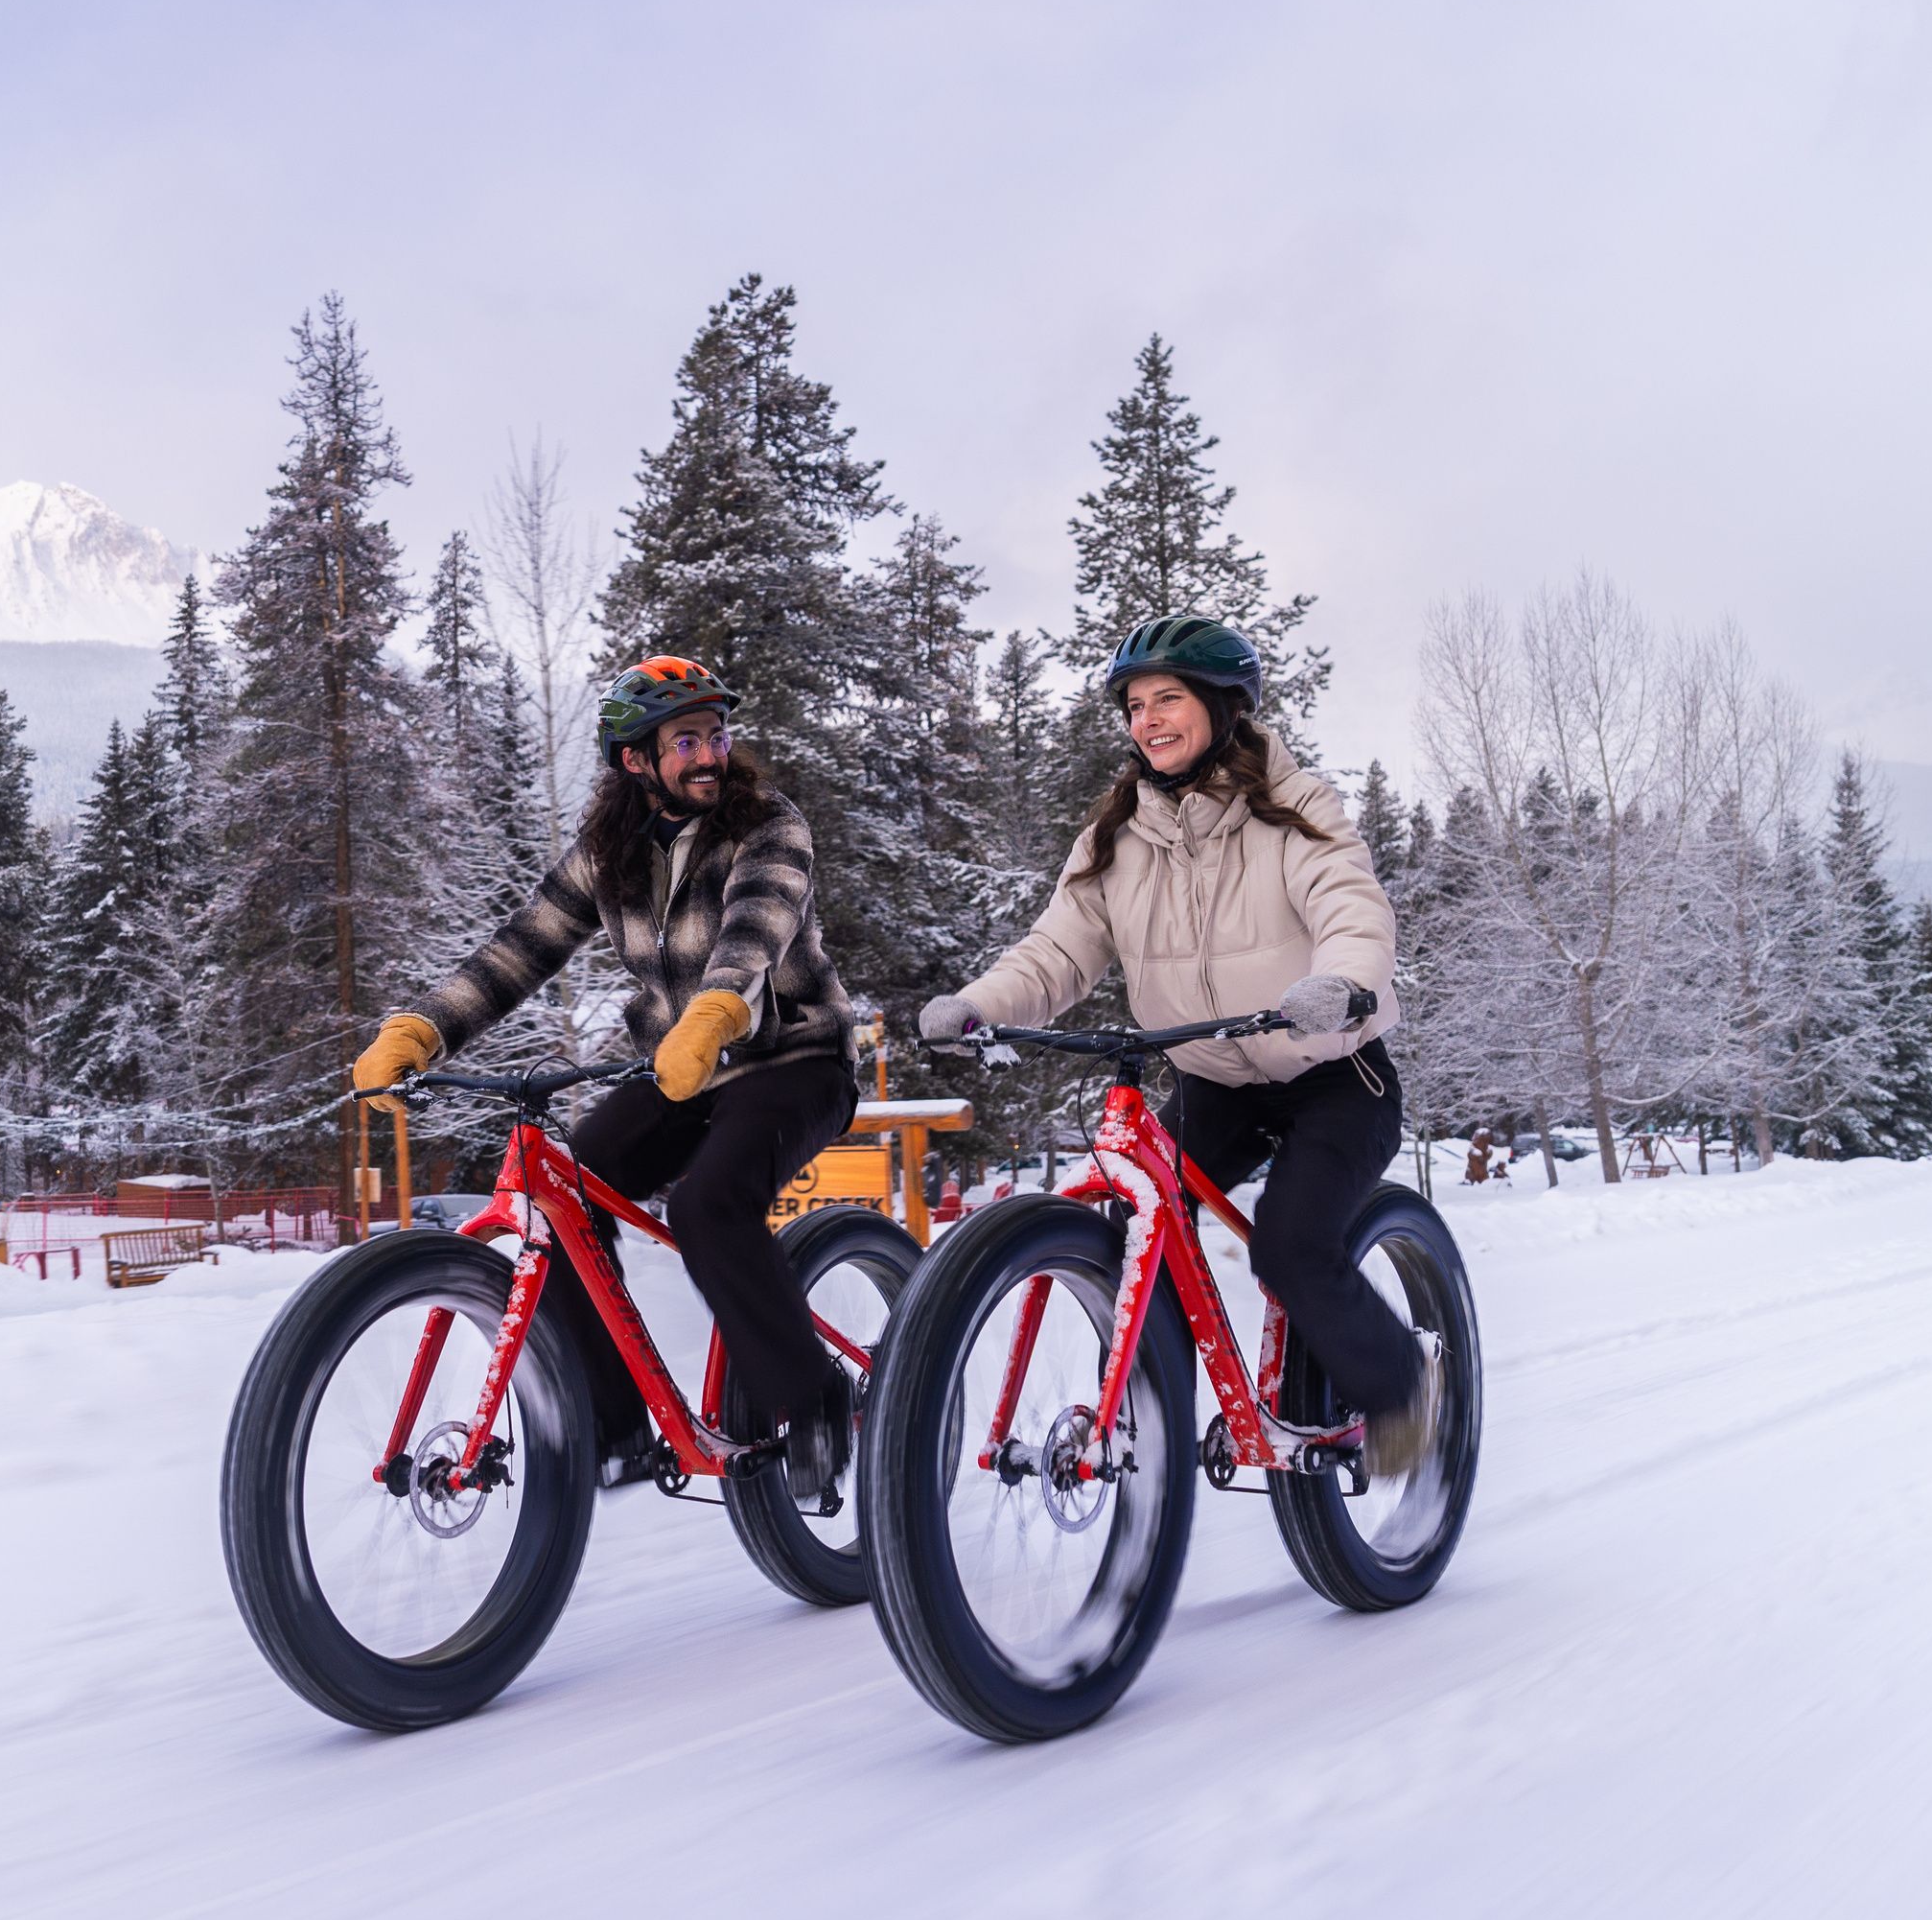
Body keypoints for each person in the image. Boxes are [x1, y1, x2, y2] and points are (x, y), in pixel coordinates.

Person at [919, 616, 1448, 1473]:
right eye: (1135, 705)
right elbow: (1059, 949)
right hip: (1213, 1079)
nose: (1148, 720)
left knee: (1290, 1243)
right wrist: (979, 1005)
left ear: (1224, 706)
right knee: (1141, 1230)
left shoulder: (1296, 807)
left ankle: (1402, 1393)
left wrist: (1339, 987)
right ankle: (1139, 1432)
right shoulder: (1117, 836)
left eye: (1169, 698)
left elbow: (1352, 910)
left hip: (1331, 1072)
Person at [352, 657, 865, 1498]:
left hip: (792, 1060)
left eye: (717, 734)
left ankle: (813, 1405)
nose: (711, 755)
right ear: (635, 760)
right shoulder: (610, 852)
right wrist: (424, 1028)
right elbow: (521, 950)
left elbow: (753, 931)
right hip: (680, 1073)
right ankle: (617, 1423)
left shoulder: (768, 824)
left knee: (708, 1204)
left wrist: (714, 1013)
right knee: (569, 1197)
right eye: (687, 740)